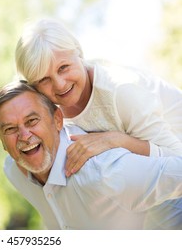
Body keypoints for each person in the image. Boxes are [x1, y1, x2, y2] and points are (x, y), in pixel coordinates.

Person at [0, 81, 182, 229]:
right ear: (1, 140)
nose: (24, 136)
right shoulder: (13, 171)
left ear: (57, 120)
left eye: (32, 121)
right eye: (10, 129)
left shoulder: (102, 170)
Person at [15, 18, 182, 177]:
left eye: (63, 68)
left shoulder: (121, 91)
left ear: (79, 55)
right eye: (44, 79)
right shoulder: (48, 109)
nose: (59, 84)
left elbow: (177, 159)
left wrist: (114, 140)